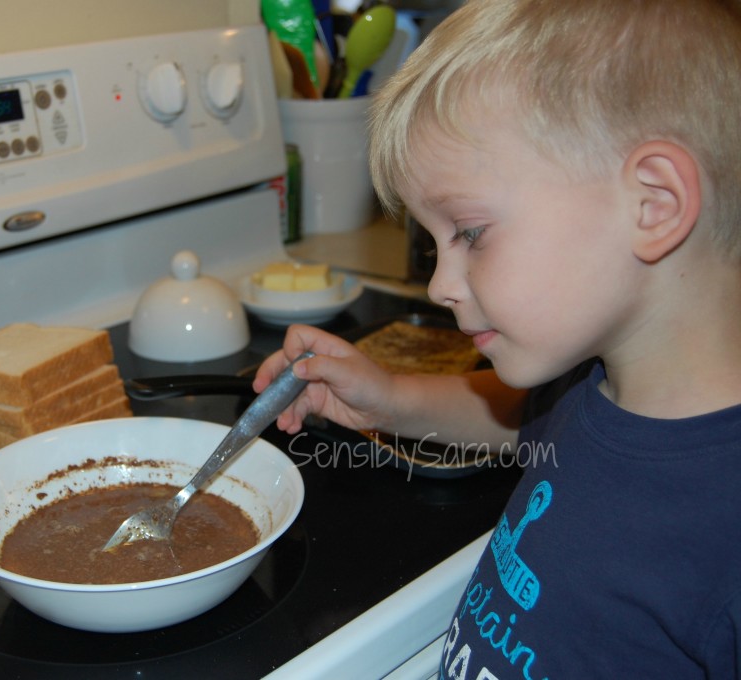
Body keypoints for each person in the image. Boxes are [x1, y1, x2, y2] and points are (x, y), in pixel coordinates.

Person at [253, 0, 741, 676]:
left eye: (470, 233)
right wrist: (386, 398)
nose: (439, 285)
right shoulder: (598, 384)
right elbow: (527, 424)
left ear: (653, 205)